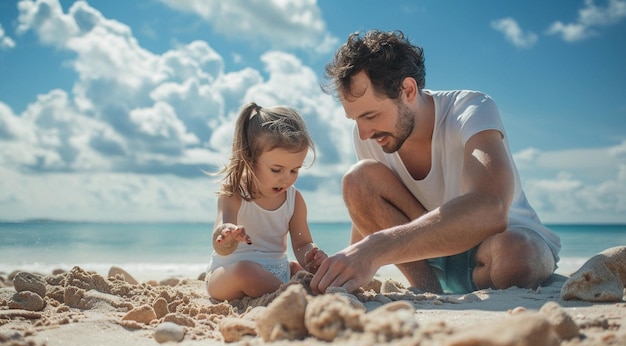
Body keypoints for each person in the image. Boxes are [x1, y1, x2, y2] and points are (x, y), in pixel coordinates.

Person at [310, 30, 561, 294]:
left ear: (408, 90)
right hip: (429, 255)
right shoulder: (370, 135)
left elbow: (491, 208)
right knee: (358, 177)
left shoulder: (470, 110)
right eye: (355, 119)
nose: (363, 132)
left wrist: (374, 249)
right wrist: (348, 262)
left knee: (516, 255)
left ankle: (467, 284)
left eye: (371, 115)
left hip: (500, 243)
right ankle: (430, 291)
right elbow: (368, 201)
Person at [206, 102, 327, 301]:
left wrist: (312, 256)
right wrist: (226, 236)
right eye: (276, 170)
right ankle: (291, 295)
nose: (286, 178)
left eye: (294, 170)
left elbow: (302, 243)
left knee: (304, 270)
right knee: (245, 271)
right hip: (229, 276)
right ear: (250, 158)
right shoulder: (235, 194)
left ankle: (287, 290)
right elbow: (220, 241)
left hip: (277, 273)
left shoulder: (294, 199)